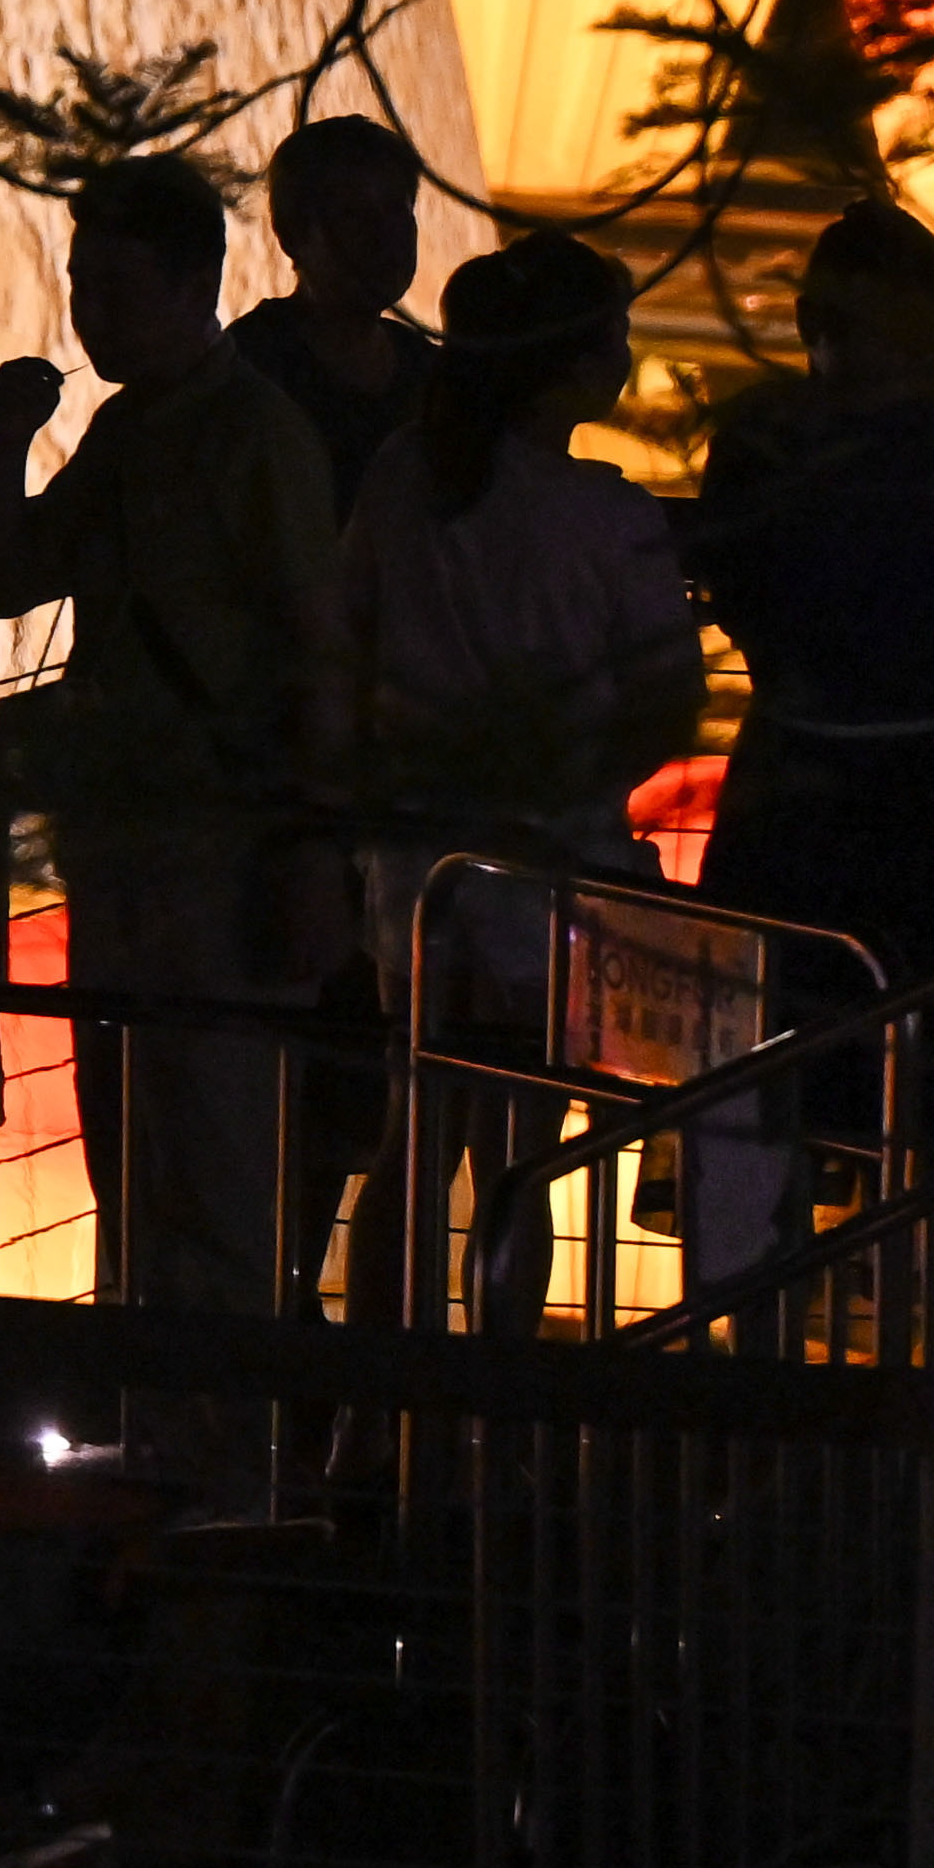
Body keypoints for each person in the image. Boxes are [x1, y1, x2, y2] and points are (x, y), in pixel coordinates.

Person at [0, 154, 351, 1447]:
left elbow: (315, 652)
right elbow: (21, 564)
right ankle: (175, 1460)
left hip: (220, 857)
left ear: (197, 285)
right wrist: (12, 440)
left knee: (214, 1173)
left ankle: (216, 1475)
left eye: (114, 285)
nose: (89, 312)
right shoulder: (144, 429)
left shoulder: (249, 438)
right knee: (142, 1162)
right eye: (80, 283)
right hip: (142, 854)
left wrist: (306, 850)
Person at [695, 203, 934, 1258]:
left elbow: (735, 587)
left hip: (796, 783)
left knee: (763, 1070)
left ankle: (741, 1355)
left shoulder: (758, 448)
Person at [343, 231, 701, 1336]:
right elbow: (664, 699)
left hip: (416, 858)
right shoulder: (610, 519)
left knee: (415, 1139)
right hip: (546, 869)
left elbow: (345, 633)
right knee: (517, 1158)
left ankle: (374, 1408)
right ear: (572, 365)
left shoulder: (408, 474)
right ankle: (494, 1407)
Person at [235, 115, 438, 1325]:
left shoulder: (426, 385)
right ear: (296, 236)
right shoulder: (257, 379)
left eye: (397, 216)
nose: (384, 243)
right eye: (355, 221)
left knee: (358, 1079)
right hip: (289, 767)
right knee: (301, 1076)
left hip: (392, 763)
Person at [235, 115, 443, 509]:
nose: (385, 235)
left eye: (397, 208)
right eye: (354, 215)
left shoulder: (431, 375)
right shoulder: (249, 369)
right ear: (293, 235)